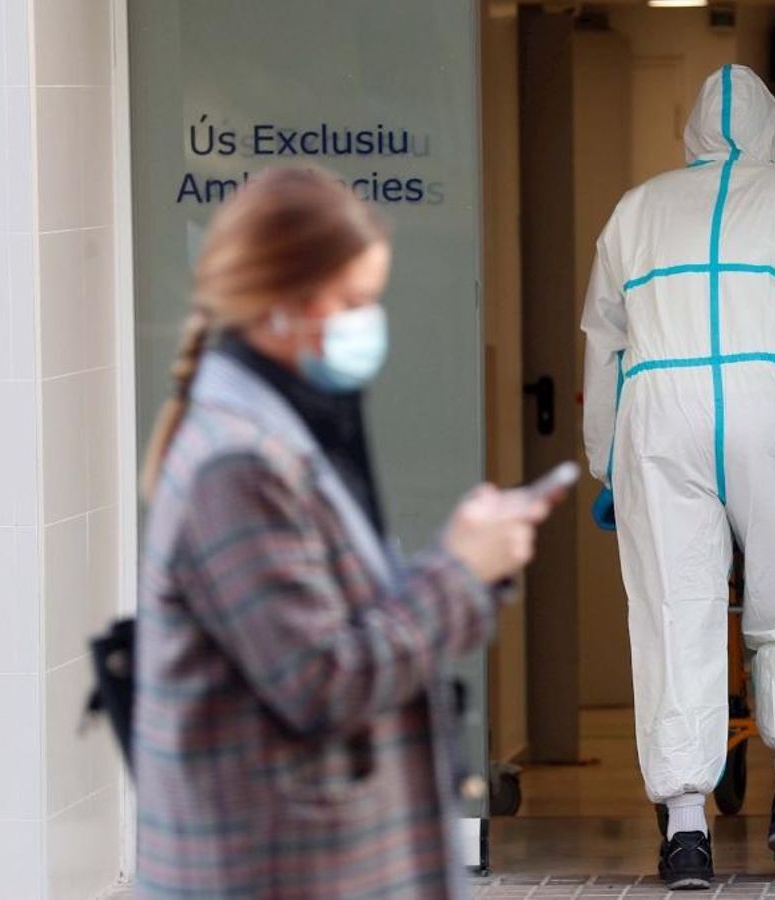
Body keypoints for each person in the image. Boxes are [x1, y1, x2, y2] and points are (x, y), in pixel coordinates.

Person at [134, 166, 550, 898]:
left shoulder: (284, 430)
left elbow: (350, 617)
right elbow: (323, 679)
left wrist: (467, 561)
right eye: (353, 301)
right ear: (281, 303)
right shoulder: (236, 465)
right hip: (273, 868)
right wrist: (459, 571)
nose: (367, 324)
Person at [581, 65, 775, 889]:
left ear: (691, 132)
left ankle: (686, 834)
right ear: (772, 130)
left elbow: (603, 345)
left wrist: (609, 463)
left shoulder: (636, 209)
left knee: (675, 610)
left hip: (661, 414)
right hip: (770, 407)